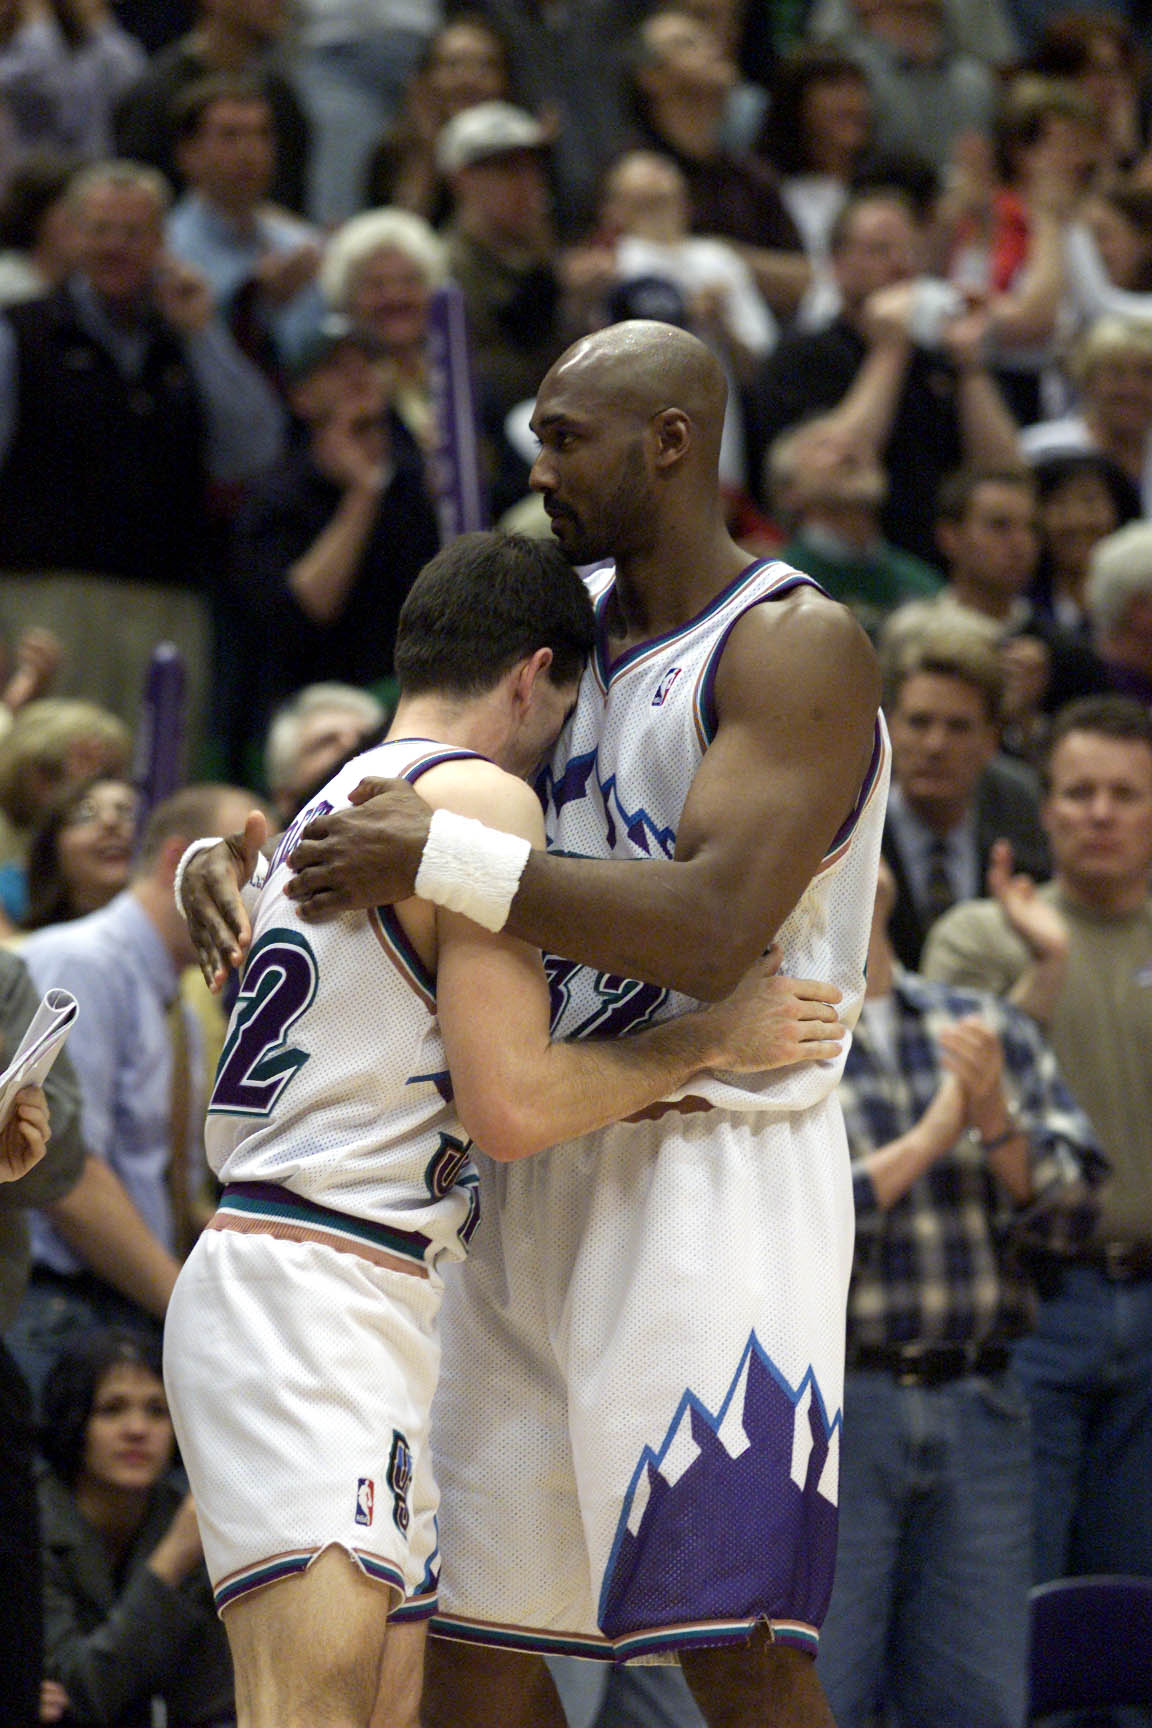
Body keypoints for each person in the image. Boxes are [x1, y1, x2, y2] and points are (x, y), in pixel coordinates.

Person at [180, 318, 888, 1728]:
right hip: (525, 1151)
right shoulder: (556, 645)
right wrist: (243, 871)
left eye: (565, 437)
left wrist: (430, 860)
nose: (537, 461)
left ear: (671, 443)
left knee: (731, 1641)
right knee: (476, 1647)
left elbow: (709, 927)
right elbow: (405, 808)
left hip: (711, 1155)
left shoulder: (791, 645)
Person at [817, 858, 1103, 1728]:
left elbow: (1075, 1217)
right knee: (825, 1691)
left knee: (978, 1698)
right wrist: (934, 1137)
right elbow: (789, 1229)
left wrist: (995, 1128)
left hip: (983, 1399)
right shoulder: (781, 1037)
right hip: (835, 1408)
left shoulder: (987, 1027)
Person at [922, 694, 1152, 1587]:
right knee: (1018, 1588)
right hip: (1032, 1298)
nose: (1099, 813)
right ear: (1044, 805)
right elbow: (949, 1104)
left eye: (1125, 794)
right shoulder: (979, 939)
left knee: (1136, 1602)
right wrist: (1041, 970)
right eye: (1079, 791)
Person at [7, 782, 256, 1399]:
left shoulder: (185, 1000)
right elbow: (69, 1171)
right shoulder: (80, 962)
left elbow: (164, 1179)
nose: (265, 892)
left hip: (127, 1299)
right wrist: (187, 1308)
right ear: (182, 861)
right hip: (60, 1305)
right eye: (250, 867)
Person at [38, 1326, 234, 1728]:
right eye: (112, 1409)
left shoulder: (183, 1519)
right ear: (74, 1419)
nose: (137, 1430)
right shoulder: (32, 1522)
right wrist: (170, 1563)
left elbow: (212, 1705)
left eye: (157, 1411)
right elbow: (81, 1693)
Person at [880, 625, 1049, 969]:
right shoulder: (845, 829)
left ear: (991, 740)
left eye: (957, 727)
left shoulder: (1023, 826)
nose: (934, 746)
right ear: (890, 728)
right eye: (918, 722)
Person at [20, 773, 138, 931]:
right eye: (86, 815)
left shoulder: (176, 947)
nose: (111, 821)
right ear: (52, 848)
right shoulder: (26, 951)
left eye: (128, 812)